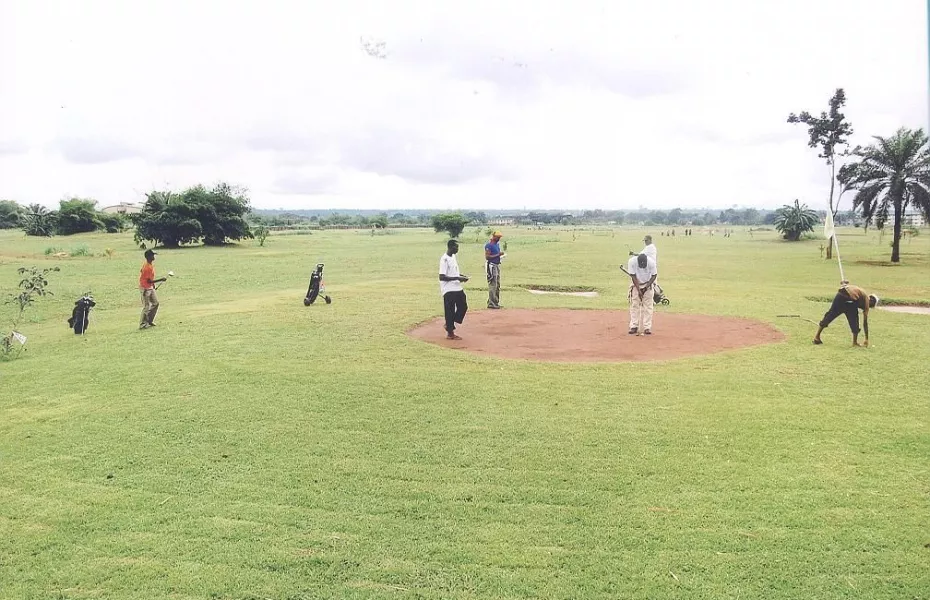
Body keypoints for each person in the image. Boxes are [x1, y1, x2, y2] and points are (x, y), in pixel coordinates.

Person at [813, 282, 879, 347]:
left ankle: (817, 337)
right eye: (871, 306)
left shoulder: (861, 293)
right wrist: (866, 339)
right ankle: (854, 342)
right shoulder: (867, 300)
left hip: (841, 296)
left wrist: (844, 284)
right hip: (850, 300)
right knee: (854, 321)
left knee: (830, 315)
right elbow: (865, 323)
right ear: (872, 302)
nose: (867, 308)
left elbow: (847, 288)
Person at [439, 239, 469, 340]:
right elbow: (442, 277)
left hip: (456, 287)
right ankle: (450, 333)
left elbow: (453, 272)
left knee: (463, 306)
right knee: (450, 310)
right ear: (450, 247)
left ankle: (449, 323)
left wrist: (461, 276)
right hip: (448, 289)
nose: (457, 249)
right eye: (456, 247)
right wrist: (457, 278)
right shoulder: (444, 259)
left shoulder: (453, 257)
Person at [626, 252, 658, 335]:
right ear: (638, 262)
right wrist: (639, 290)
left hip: (648, 284)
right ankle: (634, 326)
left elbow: (654, 276)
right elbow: (633, 276)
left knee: (648, 306)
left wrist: (645, 288)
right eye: (641, 265)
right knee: (635, 305)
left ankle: (647, 327)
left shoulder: (651, 263)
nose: (643, 267)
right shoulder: (632, 262)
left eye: (644, 265)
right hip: (636, 284)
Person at [139, 249, 167, 329]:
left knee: (155, 303)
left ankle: (149, 321)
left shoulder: (149, 265)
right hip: (145, 288)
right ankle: (142, 324)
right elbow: (149, 280)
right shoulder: (147, 267)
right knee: (146, 306)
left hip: (150, 286)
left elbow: (144, 275)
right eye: (152, 255)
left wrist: (153, 285)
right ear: (148, 257)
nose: (153, 256)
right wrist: (161, 280)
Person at [484, 231, 505, 309]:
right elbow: (487, 257)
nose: (499, 238)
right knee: (493, 284)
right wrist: (498, 255)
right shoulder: (489, 245)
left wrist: (500, 256)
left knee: (497, 285)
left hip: (497, 265)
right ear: (494, 236)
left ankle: (495, 302)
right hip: (491, 266)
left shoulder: (497, 245)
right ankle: (491, 303)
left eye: (499, 237)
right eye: (498, 237)